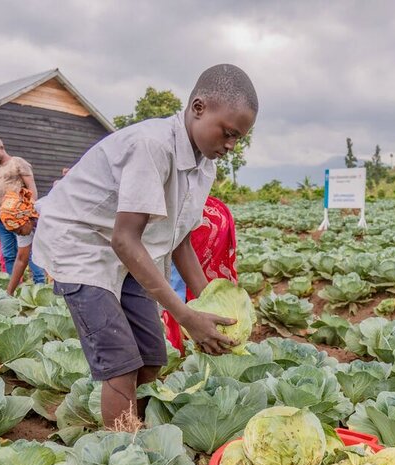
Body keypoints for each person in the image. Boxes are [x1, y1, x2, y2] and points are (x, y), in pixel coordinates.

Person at [32, 64, 257, 428]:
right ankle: (123, 451)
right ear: (198, 108)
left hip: (129, 251)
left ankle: (143, 433)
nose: (231, 145)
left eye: (238, 139)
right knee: (120, 362)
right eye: (228, 133)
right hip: (82, 246)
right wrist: (185, 317)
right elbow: (123, 238)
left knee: (152, 355)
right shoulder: (152, 146)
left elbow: (180, 237)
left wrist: (211, 306)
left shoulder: (204, 165)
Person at [163, 195, 238, 353]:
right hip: (192, 222)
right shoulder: (211, 209)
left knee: (176, 285)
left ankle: (183, 343)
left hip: (193, 222)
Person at [0, 136, 45, 283]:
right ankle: (15, 287)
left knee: (28, 253)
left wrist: (29, 214)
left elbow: (32, 189)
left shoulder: (18, 163)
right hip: (1, 218)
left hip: (19, 217)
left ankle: (40, 284)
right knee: (8, 255)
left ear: (1, 148)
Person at [0, 193, 39, 295]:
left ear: (27, 221)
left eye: (19, 231)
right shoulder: (22, 225)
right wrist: (9, 292)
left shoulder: (47, 217)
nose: (19, 234)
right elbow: (21, 260)